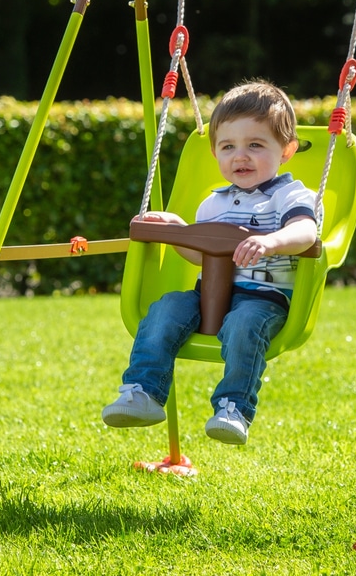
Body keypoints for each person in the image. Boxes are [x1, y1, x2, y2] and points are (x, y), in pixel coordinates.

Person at [102, 79, 320, 445]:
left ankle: (233, 408)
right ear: (215, 153)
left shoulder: (292, 195)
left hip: (263, 300)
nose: (241, 156)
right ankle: (143, 392)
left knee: (244, 325)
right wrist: (177, 231)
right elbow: (200, 253)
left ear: (286, 150)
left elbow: (306, 232)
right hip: (209, 295)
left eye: (255, 145)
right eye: (228, 146)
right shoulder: (213, 202)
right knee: (166, 308)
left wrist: (271, 241)